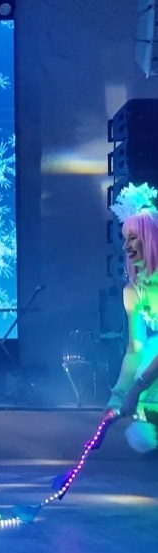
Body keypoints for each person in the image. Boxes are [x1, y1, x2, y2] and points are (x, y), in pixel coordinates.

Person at [105, 183, 158, 452]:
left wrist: (136, 390)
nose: (125, 246)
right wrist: (117, 396)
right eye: (125, 239)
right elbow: (135, 349)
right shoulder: (132, 291)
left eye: (133, 238)